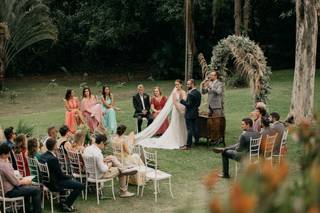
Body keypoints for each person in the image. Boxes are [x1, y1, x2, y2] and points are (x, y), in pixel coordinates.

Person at [136, 80, 187, 149]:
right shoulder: (174, 93)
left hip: (182, 110)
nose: (176, 86)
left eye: (178, 84)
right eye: (175, 84)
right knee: (176, 124)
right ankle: (176, 138)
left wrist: (183, 109)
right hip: (177, 110)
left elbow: (185, 101)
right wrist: (179, 110)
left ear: (181, 84)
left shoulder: (184, 92)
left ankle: (183, 139)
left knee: (182, 124)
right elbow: (175, 103)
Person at [83, 134, 137, 198]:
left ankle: (124, 168)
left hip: (91, 173)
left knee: (111, 158)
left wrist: (104, 160)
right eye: (105, 144)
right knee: (120, 170)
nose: (105, 147)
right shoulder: (98, 153)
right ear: (101, 143)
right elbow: (103, 170)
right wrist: (109, 165)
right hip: (99, 175)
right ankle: (123, 192)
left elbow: (94, 161)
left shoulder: (88, 149)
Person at [40, 138, 84, 212]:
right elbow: (60, 176)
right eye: (56, 145)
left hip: (46, 182)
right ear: (54, 146)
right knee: (80, 185)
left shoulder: (43, 156)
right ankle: (66, 204)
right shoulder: (53, 159)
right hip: (55, 183)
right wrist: (70, 176)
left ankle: (63, 202)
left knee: (72, 181)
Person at [0, 143, 42, 213]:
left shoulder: (2, 163)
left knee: (28, 187)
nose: (9, 155)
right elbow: (16, 183)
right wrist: (25, 181)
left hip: (5, 189)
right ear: (4, 154)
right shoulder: (4, 165)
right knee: (36, 190)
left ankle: (26, 209)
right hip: (10, 191)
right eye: (8, 153)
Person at [180, 79, 202, 150]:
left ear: (192, 84)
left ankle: (188, 145)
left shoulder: (190, 94)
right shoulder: (198, 92)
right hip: (195, 112)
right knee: (195, 128)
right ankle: (197, 141)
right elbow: (198, 104)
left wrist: (182, 100)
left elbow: (188, 104)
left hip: (189, 114)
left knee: (189, 129)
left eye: (188, 84)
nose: (187, 85)